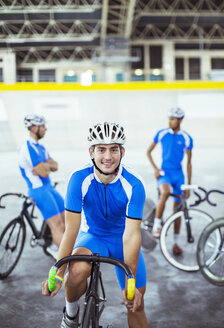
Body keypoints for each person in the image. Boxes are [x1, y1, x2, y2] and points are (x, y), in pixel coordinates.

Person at [42, 122, 149, 328]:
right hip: (93, 236)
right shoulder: (78, 179)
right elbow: (71, 231)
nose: (107, 156)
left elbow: (132, 235)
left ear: (122, 152)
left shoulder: (134, 184)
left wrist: (131, 281)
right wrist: (58, 273)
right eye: (101, 149)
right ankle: (71, 315)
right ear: (91, 152)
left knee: (135, 303)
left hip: (122, 239)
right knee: (76, 272)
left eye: (113, 149)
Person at [147, 107, 193, 255]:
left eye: (173, 119)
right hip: (165, 173)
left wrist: (188, 185)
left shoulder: (186, 138)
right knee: (165, 192)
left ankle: (175, 242)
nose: (170, 121)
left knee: (178, 208)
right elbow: (148, 152)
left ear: (180, 120)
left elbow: (189, 163)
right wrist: (155, 169)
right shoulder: (161, 134)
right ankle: (157, 226)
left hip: (178, 175)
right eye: (169, 118)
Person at [18, 114, 65, 259]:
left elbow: (55, 166)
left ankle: (54, 244)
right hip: (38, 190)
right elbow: (44, 172)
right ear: (33, 128)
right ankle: (64, 260)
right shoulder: (28, 147)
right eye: (42, 126)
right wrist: (46, 166)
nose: (45, 129)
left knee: (66, 219)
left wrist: (44, 165)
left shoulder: (41, 147)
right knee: (57, 225)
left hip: (48, 187)